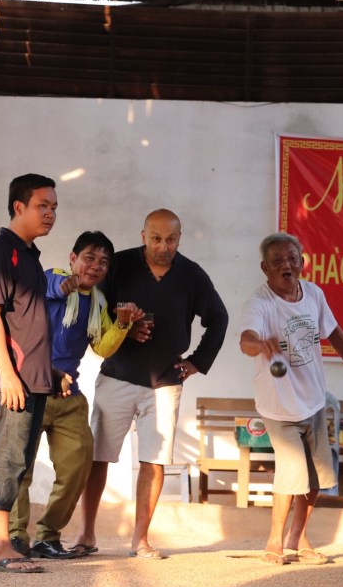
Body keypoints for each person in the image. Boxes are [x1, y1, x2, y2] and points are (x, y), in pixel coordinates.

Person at [72, 209, 229, 559]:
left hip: (165, 383)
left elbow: (219, 318)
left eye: (171, 239)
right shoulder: (120, 265)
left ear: (179, 238)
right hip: (116, 375)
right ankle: (86, 533)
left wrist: (197, 362)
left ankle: (140, 540)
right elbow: (97, 309)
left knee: (154, 460)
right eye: (156, 239)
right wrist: (125, 329)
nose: (163, 246)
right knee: (97, 457)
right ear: (144, 236)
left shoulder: (192, 274)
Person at [8, 231, 142, 559]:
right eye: (89, 258)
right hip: (29, 390)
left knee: (79, 465)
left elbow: (102, 347)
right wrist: (68, 285)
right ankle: (15, 536)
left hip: (69, 396)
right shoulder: (51, 278)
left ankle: (47, 537)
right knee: (19, 467)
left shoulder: (97, 302)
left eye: (103, 263)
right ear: (73, 259)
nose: (95, 266)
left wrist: (123, 324)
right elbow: (53, 287)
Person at [238, 232, 343, 566]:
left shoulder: (313, 294)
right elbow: (246, 340)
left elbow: (334, 332)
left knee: (316, 477)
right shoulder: (260, 303)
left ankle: (297, 538)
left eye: (292, 259)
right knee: (292, 471)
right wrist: (261, 345)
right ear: (265, 268)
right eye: (278, 261)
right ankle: (273, 542)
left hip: (313, 401)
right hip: (279, 406)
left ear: (302, 262)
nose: (287, 265)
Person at [0, 173, 59, 575]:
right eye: (43, 206)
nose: (50, 213)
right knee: (7, 461)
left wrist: (51, 371)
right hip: (12, 380)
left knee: (18, 464)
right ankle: (0, 546)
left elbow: (28, 324)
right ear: (18, 207)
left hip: (34, 379)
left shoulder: (31, 257)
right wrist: (7, 375)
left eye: (54, 207)